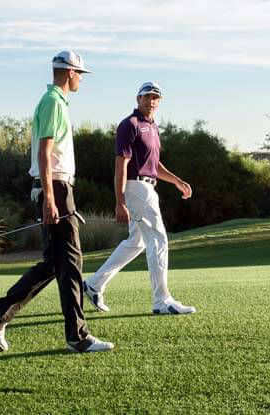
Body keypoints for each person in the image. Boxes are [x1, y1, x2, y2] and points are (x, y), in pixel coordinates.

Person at [0, 51, 114, 353]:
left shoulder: (52, 101)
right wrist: (51, 199)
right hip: (55, 188)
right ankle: (77, 337)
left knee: (55, 264)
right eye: (80, 73)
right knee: (72, 263)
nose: (81, 78)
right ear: (68, 72)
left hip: (54, 187)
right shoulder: (54, 102)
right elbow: (45, 151)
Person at [83, 81, 196, 315]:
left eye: (156, 98)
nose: (152, 101)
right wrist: (120, 201)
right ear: (138, 99)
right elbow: (120, 165)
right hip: (135, 187)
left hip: (147, 186)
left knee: (137, 242)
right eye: (148, 97)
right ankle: (161, 300)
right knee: (159, 240)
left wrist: (176, 180)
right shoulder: (130, 125)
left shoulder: (153, 127)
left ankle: (94, 285)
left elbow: (154, 165)